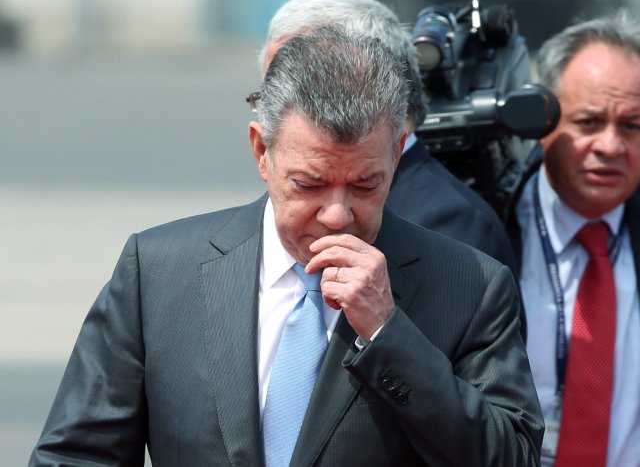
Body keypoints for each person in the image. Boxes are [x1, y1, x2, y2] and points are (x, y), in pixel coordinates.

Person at [31, 27, 542, 466]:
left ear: (396, 154)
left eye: (366, 185)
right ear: (261, 151)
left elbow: (510, 456)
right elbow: (77, 454)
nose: (338, 214)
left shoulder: (470, 284)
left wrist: (389, 334)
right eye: (310, 184)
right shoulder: (161, 272)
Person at [258, 0, 519, 277]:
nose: (335, 216)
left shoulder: (451, 225)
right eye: (269, 93)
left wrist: (382, 321)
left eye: (303, 88)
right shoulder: (227, 240)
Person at [509, 12, 640, 467]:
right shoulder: (488, 231)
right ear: (543, 122)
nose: (611, 146)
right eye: (588, 122)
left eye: (632, 126)